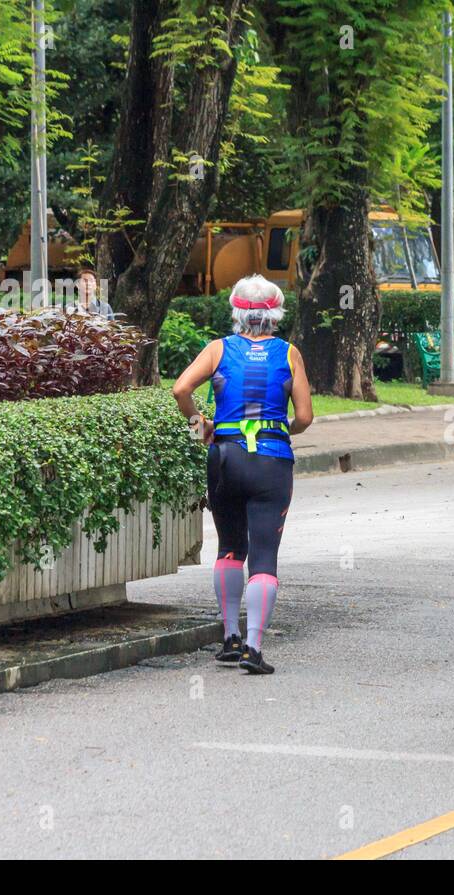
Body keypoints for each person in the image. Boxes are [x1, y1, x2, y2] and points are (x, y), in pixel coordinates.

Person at [172, 275, 313, 674]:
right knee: (264, 556)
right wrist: (282, 428)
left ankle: (229, 636)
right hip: (271, 460)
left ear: (235, 312)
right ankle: (253, 647)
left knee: (230, 548)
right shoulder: (289, 354)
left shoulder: (218, 349)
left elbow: (181, 389)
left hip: (225, 458)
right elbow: (304, 416)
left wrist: (202, 428)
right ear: (276, 314)